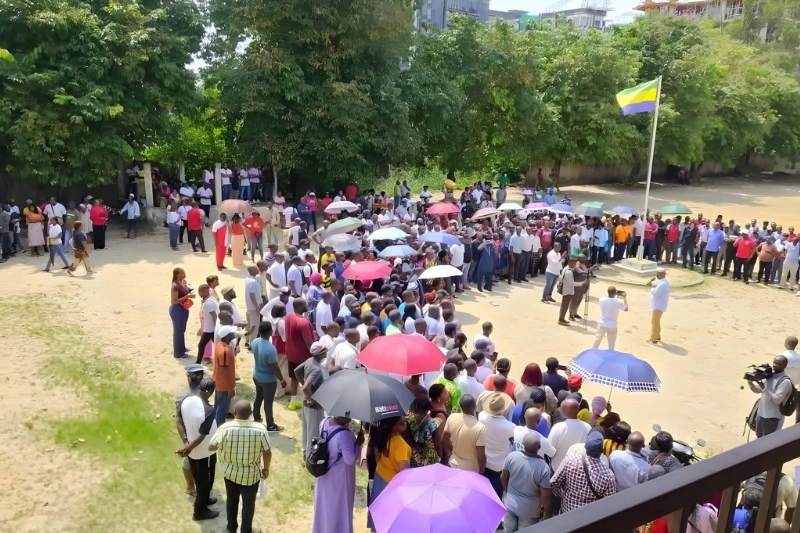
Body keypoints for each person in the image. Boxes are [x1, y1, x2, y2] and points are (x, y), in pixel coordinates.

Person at [209, 400, 271, 533]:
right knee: (249, 504)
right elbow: (267, 452)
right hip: (251, 475)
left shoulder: (225, 428)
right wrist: (266, 469)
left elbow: (211, 446)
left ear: (234, 413)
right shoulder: (260, 429)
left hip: (230, 473)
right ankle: (246, 530)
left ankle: (231, 528)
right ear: (250, 414)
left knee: (231, 500)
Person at [176, 377, 219, 521]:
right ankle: (199, 511)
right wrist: (188, 448)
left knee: (201, 479)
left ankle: (205, 499)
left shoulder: (187, 400)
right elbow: (202, 436)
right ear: (211, 391)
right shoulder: (208, 410)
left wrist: (186, 443)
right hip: (203, 452)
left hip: (195, 452)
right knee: (204, 481)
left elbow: (179, 420)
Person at [313, 416, 364, 533]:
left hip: (324, 474)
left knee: (324, 509)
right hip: (339, 480)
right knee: (339, 511)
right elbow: (350, 459)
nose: (349, 417)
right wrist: (358, 444)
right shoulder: (344, 435)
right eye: (347, 414)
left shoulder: (324, 421)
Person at [551, 431, 617, 513]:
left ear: (585, 447)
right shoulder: (608, 475)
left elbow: (554, 483)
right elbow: (609, 501)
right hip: (590, 516)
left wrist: (563, 496)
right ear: (602, 451)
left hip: (567, 510)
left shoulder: (570, 460)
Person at [501, 433, 552, 531]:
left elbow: (503, 477)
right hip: (529, 511)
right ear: (539, 447)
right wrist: (547, 512)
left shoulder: (512, 456)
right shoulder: (543, 467)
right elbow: (545, 495)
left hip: (510, 505)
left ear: (523, 444)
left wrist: (508, 491)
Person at [477, 392, 515, 498]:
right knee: (496, 493)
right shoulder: (510, 427)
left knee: (484, 490)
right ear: (503, 409)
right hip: (499, 465)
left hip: (485, 460)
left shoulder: (481, 416)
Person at [251, 322, 286, 432]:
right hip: (268, 380)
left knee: (258, 397)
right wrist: (282, 379)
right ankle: (270, 425)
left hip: (256, 376)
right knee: (268, 403)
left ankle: (256, 417)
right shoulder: (271, 349)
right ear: (270, 332)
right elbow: (275, 367)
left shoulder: (254, 341)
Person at [748, 355, 793, 438]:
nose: (775, 365)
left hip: (771, 417)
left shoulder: (785, 382)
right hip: (761, 414)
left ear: (784, 366)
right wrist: (750, 381)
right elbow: (757, 390)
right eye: (774, 362)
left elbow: (777, 399)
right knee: (759, 438)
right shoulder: (769, 376)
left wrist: (764, 388)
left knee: (768, 442)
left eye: (778, 364)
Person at [442, 394, 486, 473]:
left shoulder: (452, 417)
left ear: (460, 405)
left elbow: (444, 440)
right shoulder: (480, 428)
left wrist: (454, 450)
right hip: (471, 470)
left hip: (453, 466)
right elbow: (481, 456)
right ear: (474, 406)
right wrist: (482, 468)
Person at [285, 299, 315, 411]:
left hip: (290, 353)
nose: (307, 305)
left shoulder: (288, 316)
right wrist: (315, 353)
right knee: (307, 380)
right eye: (305, 304)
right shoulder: (304, 322)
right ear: (300, 306)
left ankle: (293, 402)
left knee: (294, 377)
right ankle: (308, 400)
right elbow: (308, 341)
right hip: (303, 356)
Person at [548, 398, 591, 472]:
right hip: (577, 470)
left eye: (561, 408)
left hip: (557, 468)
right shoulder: (588, 427)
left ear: (568, 412)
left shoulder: (558, 427)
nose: (559, 409)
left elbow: (549, 449)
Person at [213, 329, 238, 426]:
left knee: (218, 407)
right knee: (222, 410)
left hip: (219, 382)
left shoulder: (220, 345)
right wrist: (230, 388)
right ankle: (219, 429)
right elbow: (224, 370)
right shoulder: (225, 351)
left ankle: (214, 426)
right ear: (227, 336)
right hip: (224, 385)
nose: (233, 333)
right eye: (231, 333)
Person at [169, 267, 195, 358]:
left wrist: (190, 291)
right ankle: (178, 353)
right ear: (177, 275)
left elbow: (186, 291)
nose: (184, 274)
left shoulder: (183, 282)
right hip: (177, 309)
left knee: (182, 330)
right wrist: (188, 296)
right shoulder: (175, 286)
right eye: (182, 273)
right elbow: (174, 301)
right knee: (178, 331)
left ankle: (182, 348)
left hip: (184, 308)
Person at [593, 286, 628, 350]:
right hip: (612, 325)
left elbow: (608, 299)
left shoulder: (601, 299)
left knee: (597, 341)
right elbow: (626, 309)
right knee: (611, 345)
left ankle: (592, 353)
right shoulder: (618, 302)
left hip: (602, 324)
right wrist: (624, 298)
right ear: (615, 293)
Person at [195, 284, 218, 364]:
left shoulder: (208, 303)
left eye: (199, 292)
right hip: (211, 328)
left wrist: (216, 329)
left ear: (204, 292)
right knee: (218, 345)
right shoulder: (212, 299)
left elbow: (214, 316)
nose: (198, 294)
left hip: (210, 329)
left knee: (201, 345)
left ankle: (197, 363)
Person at [648, 268, 670, 344]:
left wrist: (652, 289)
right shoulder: (665, 282)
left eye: (658, 274)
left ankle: (653, 338)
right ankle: (657, 336)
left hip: (658, 305)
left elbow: (656, 294)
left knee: (655, 321)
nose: (656, 275)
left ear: (661, 275)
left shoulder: (662, 284)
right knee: (656, 321)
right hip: (660, 304)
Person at [558, 256, 577, 326]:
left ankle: (562, 318)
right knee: (564, 305)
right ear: (570, 263)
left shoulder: (567, 268)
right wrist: (582, 283)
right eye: (574, 263)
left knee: (564, 305)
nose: (575, 265)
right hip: (567, 290)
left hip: (567, 289)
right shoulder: (568, 271)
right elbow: (572, 283)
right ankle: (561, 319)